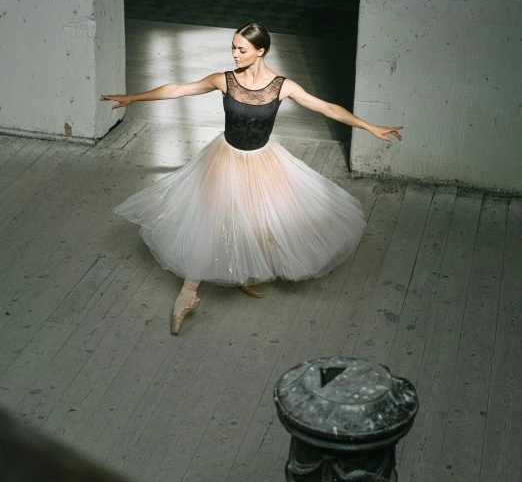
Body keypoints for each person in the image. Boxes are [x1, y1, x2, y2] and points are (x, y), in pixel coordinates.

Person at [101, 22, 403, 334]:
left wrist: (370, 127)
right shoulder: (224, 80)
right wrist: (134, 98)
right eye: (232, 47)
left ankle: (244, 273)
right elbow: (178, 89)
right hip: (225, 159)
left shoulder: (283, 86)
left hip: (263, 161)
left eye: (241, 49)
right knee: (211, 221)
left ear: (261, 51)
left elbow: (326, 107)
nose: (234, 54)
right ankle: (187, 295)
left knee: (257, 221)